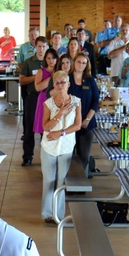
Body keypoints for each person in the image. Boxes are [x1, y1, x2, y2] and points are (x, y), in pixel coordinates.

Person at [40, 71, 82, 222]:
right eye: (56, 83)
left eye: (63, 82)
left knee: (61, 181)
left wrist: (61, 132)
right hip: (49, 147)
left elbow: (77, 125)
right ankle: (47, 214)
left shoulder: (76, 101)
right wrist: (60, 113)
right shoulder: (49, 103)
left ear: (68, 84)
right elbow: (45, 126)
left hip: (66, 146)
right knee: (48, 180)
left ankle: (58, 215)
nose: (60, 85)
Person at [18, 36, 49, 167]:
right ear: (35, 47)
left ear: (47, 47)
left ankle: (46, 156)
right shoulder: (29, 62)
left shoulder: (51, 62)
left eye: (44, 46)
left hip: (47, 98)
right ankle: (27, 156)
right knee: (29, 128)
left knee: (45, 127)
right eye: (39, 46)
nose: (41, 49)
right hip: (32, 97)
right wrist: (36, 77)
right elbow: (22, 80)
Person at [67, 52, 100, 176]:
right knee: (69, 155)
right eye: (78, 62)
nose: (81, 65)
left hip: (87, 123)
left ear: (87, 65)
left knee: (84, 155)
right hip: (69, 122)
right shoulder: (68, 78)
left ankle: (83, 180)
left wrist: (87, 119)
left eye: (84, 63)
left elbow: (96, 101)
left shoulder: (90, 80)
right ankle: (69, 181)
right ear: (74, 63)